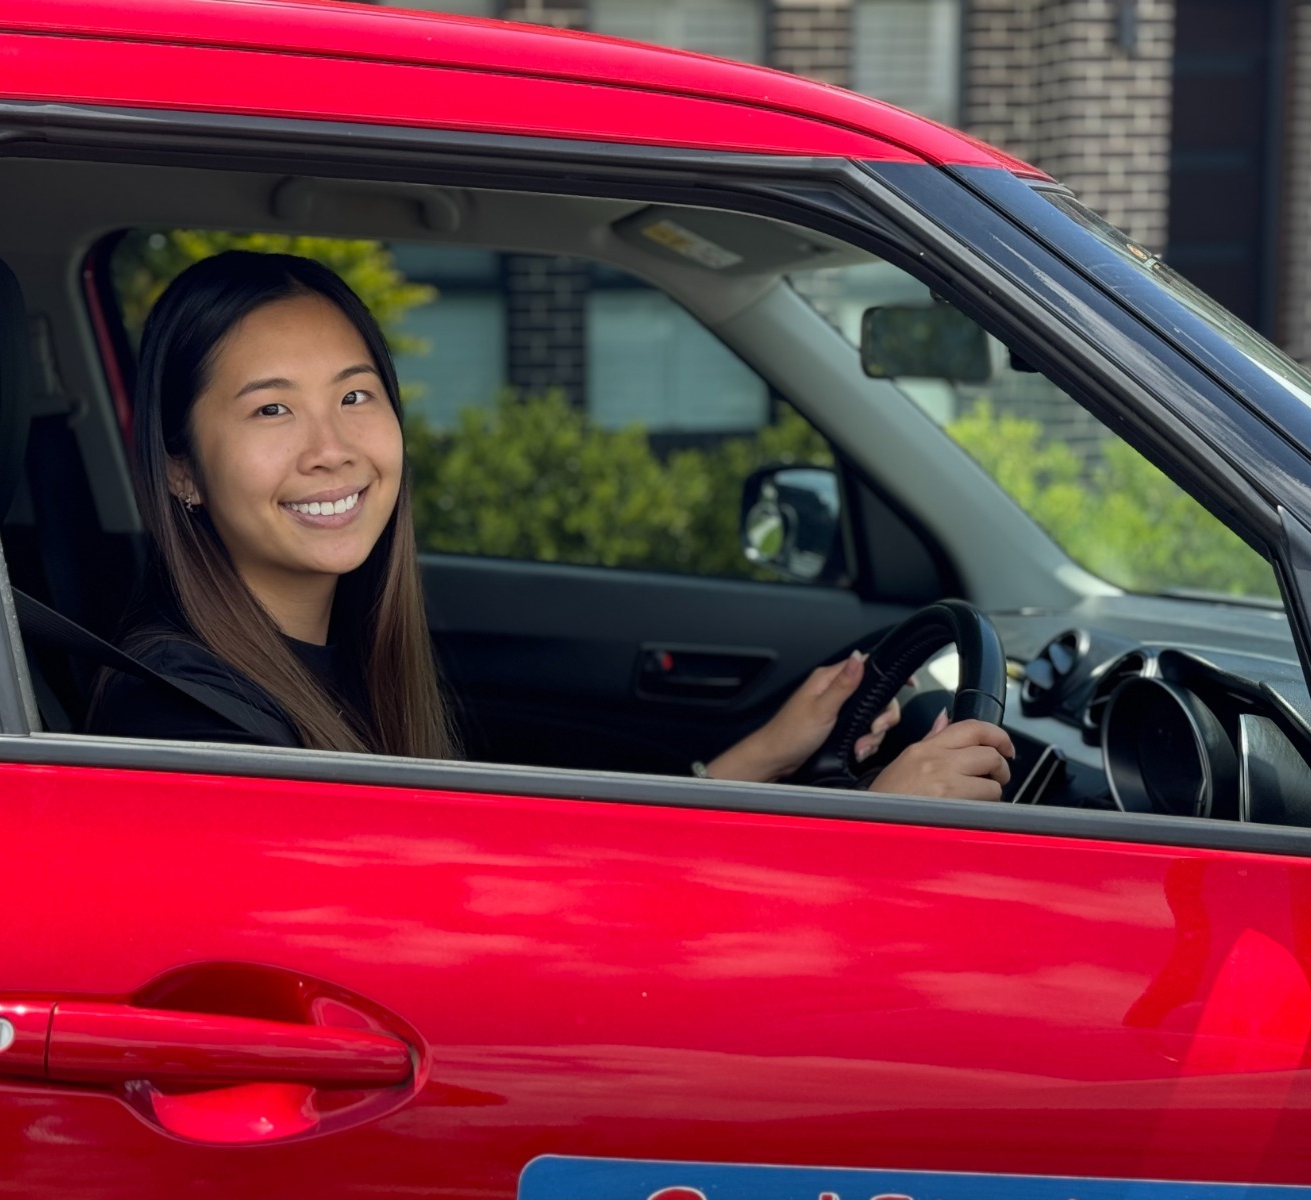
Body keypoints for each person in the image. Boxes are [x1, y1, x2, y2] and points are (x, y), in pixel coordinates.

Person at [88, 251, 1014, 801]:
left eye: (356, 396)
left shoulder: (320, 663)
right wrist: (872, 826)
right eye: (272, 412)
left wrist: (760, 758)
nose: (334, 449)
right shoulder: (189, 723)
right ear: (182, 471)